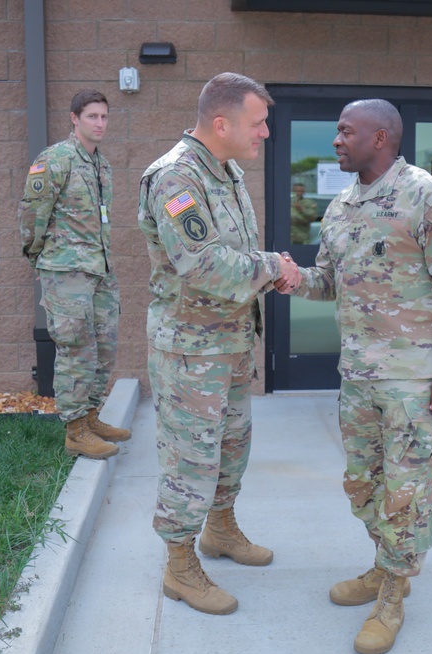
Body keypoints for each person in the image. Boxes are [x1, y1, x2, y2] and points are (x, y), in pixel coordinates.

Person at [277, 99, 432, 654]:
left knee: (406, 494)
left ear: (381, 137)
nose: (337, 141)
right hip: (360, 376)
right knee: (362, 485)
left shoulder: (429, 199)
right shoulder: (341, 205)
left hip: (415, 381)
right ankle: (382, 564)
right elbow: (330, 282)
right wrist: (294, 279)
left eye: (346, 132)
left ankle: (393, 594)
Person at [137, 72, 301, 615]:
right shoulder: (175, 179)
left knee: (232, 446)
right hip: (190, 351)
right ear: (222, 122)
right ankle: (179, 566)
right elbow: (202, 263)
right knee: (190, 459)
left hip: (228, 343)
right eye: (258, 123)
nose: (266, 134)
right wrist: (270, 266)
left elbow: (233, 255)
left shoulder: (225, 170)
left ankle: (221, 530)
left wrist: (262, 270)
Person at [18, 89, 129, 460]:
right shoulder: (56, 159)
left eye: (104, 117)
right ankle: (75, 430)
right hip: (66, 271)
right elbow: (33, 214)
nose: (100, 123)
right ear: (74, 118)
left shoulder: (102, 165)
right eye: (92, 116)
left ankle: (91, 416)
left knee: (104, 347)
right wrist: (39, 260)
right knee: (75, 348)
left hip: (100, 270)